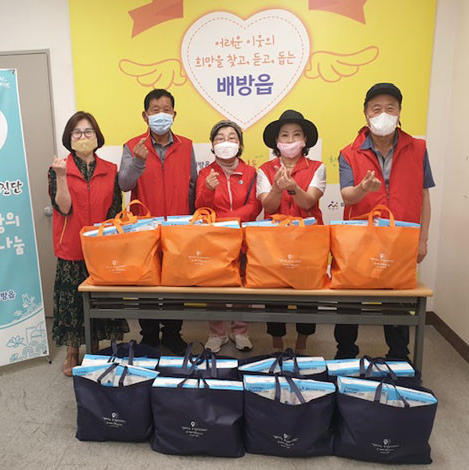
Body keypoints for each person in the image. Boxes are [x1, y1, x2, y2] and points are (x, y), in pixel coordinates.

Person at [335, 82, 435, 360]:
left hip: (401, 236)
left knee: (397, 299)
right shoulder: (349, 152)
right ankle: (345, 352)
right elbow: (347, 196)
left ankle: (399, 356)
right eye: (376, 108)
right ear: (365, 113)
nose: (383, 114)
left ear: (400, 111)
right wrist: (363, 189)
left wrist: (423, 240)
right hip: (360, 238)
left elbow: (424, 196)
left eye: (390, 108)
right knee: (350, 299)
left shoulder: (418, 148)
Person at [49, 111, 128, 376]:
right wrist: (62, 177)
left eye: (88, 131)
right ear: (69, 138)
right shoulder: (59, 168)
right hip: (71, 247)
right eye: (77, 132)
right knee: (72, 301)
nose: (83, 136)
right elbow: (63, 207)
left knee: (101, 300)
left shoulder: (110, 170)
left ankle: (96, 349)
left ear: (97, 136)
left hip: (101, 248)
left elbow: (115, 211)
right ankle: (72, 351)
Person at [119, 89, 197, 355]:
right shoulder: (132, 146)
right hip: (145, 226)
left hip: (179, 225)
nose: (161, 114)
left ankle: (173, 333)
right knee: (146, 282)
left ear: (174, 114)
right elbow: (124, 183)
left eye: (166, 109)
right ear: (145, 115)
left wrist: (192, 222)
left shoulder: (186, 145)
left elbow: (193, 185)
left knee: (176, 281)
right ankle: (150, 334)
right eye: (155, 110)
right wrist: (138, 162)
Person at [257, 110, 326, 354]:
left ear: (305, 140)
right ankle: (277, 344)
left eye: (296, 135)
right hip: (274, 240)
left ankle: (302, 344)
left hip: (308, 240)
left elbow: (308, 202)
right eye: (284, 135)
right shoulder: (264, 169)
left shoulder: (317, 167)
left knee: (307, 293)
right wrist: (277, 188)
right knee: (275, 293)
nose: (290, 140)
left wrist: (294, 187)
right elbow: (268, 207)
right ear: (276, 142)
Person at [195, 120, 262, 353]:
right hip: (215, 238)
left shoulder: (251, 172)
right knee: (215, 287)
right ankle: (217, 333)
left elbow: (254, 206)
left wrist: (229, 221)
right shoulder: (205, 173)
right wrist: (208, 189)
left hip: (243, 237)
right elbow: (201, 208)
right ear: (212, 145)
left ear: (240, 144)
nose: (226, 142)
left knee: (242, 284)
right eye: (220, 138)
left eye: (232, 137)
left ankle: (240, 331)